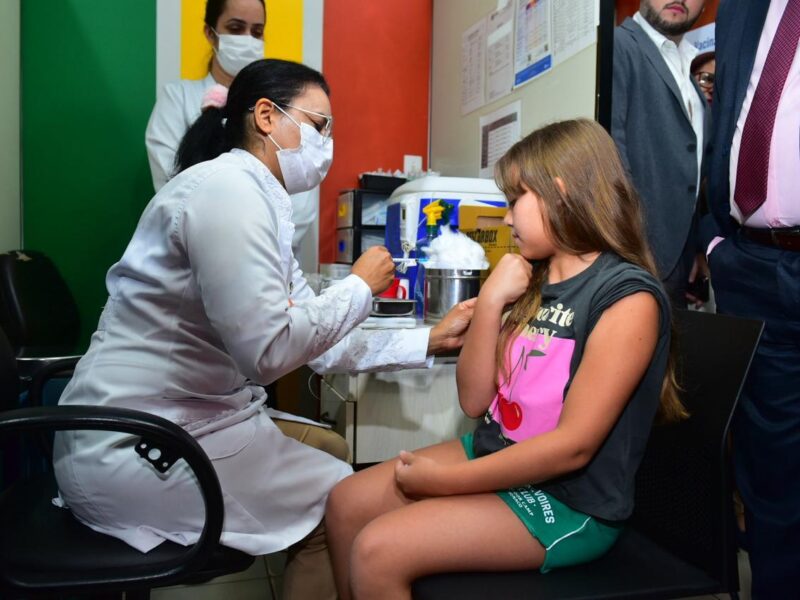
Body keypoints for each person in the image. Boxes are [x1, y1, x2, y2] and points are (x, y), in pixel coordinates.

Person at [53, 58, 473, 600]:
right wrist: (360, 287)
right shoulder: (226, 192)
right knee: (344, 502)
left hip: (182, 418)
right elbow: (270, 350)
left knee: (327, 445)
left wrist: (428, 341)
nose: (328, 143)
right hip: (138, 443)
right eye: (320, 125)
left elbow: (316, 342)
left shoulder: (259, 201)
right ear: (267, 117)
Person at [325, 119, 685, 600]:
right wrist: (492, 299)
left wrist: (449, 482)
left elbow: (573, 448)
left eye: (514, 201)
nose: (507, 218)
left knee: (377, 550)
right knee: (346, 502)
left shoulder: (626, 296)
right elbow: (475, 401)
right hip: (500, 454)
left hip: (569, 499)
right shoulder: (532, 279)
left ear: (558, 193)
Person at [703, 1, 800, 596]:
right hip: (754, 264)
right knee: (771, 478)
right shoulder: (741, 7)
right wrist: (715, 243)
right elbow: (729, 123)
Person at [145, 0, 317, 252]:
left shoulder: (279, 111)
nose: (248, 39)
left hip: (270, 261)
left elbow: (300, 200)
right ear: (209, 33)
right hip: (193, 260)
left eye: (257, 32)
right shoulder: (177, 100)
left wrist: (258, 250)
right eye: (236, 28)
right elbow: (174, 189)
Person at [612, 0, 710, 307]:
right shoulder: (617, 46)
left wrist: (695, 245)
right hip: (632, 255)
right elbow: (610, 153)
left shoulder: (690, 68)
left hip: (678, 262)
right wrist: (633, 247)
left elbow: (695, 168)